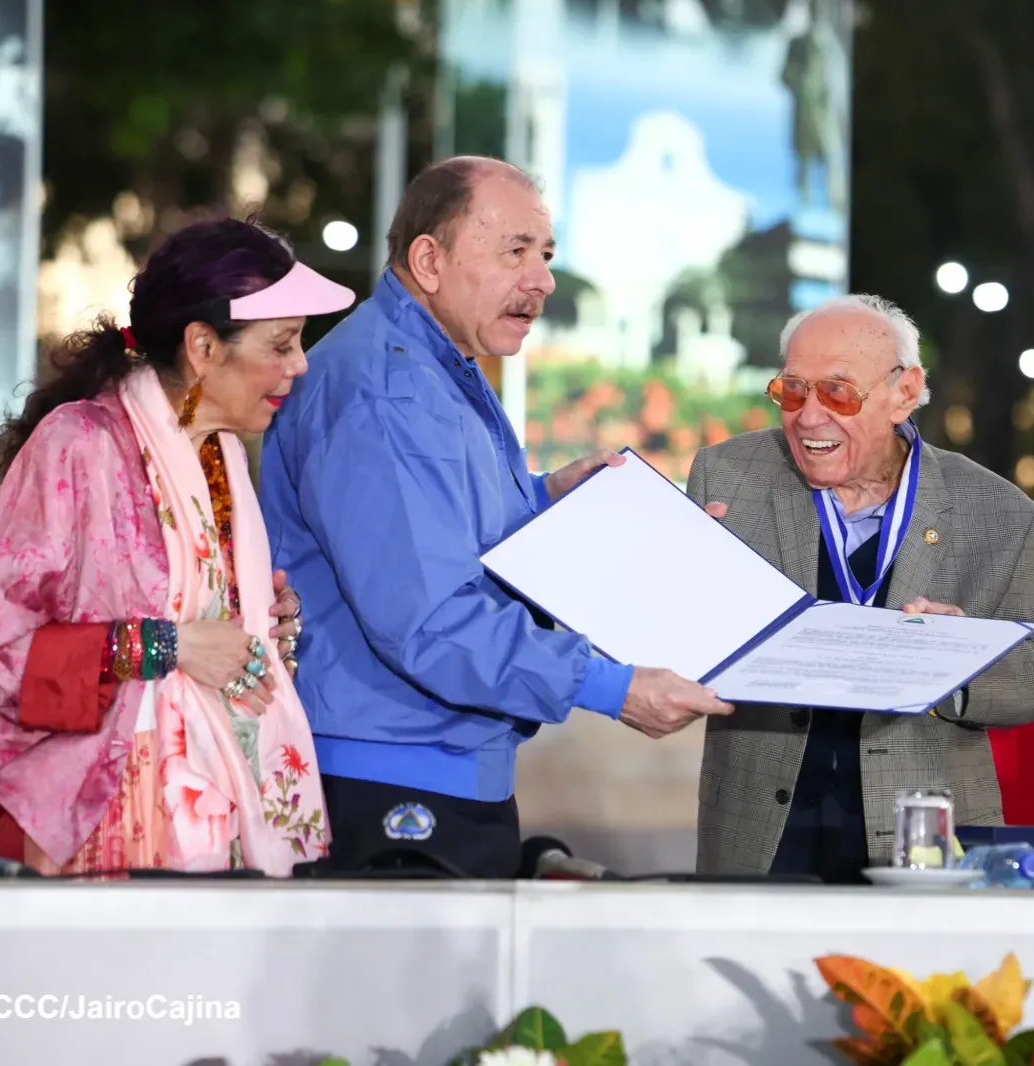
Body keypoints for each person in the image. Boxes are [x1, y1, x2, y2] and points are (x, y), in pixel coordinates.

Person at [258, 156, 732, 880]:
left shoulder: (436, 366)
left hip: (436, 762)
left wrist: (544, 502)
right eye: (515, 251)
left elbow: (439, 535)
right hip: (391, 779)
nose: (541, 280)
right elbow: (431, 621)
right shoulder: (387, 393)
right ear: (429, 259)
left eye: (545, 255)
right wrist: (612, 686)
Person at [0, 217, 353, 876]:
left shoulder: (221, 456)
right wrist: (169, 645)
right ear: (203, 346)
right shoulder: (81, 444)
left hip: (214, 804)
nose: (299, 365)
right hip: (107, 809)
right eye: (281, 344)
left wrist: (260, 634)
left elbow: (207, 633)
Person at [684, 294, 1034, 883]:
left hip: (925, 836)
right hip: (758, 824)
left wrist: (952, 662)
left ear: (904, 394)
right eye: (792, 390)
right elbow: (682, 631)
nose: (809, 417)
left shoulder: (997, 512)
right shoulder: (728, 477)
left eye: (838, 392)